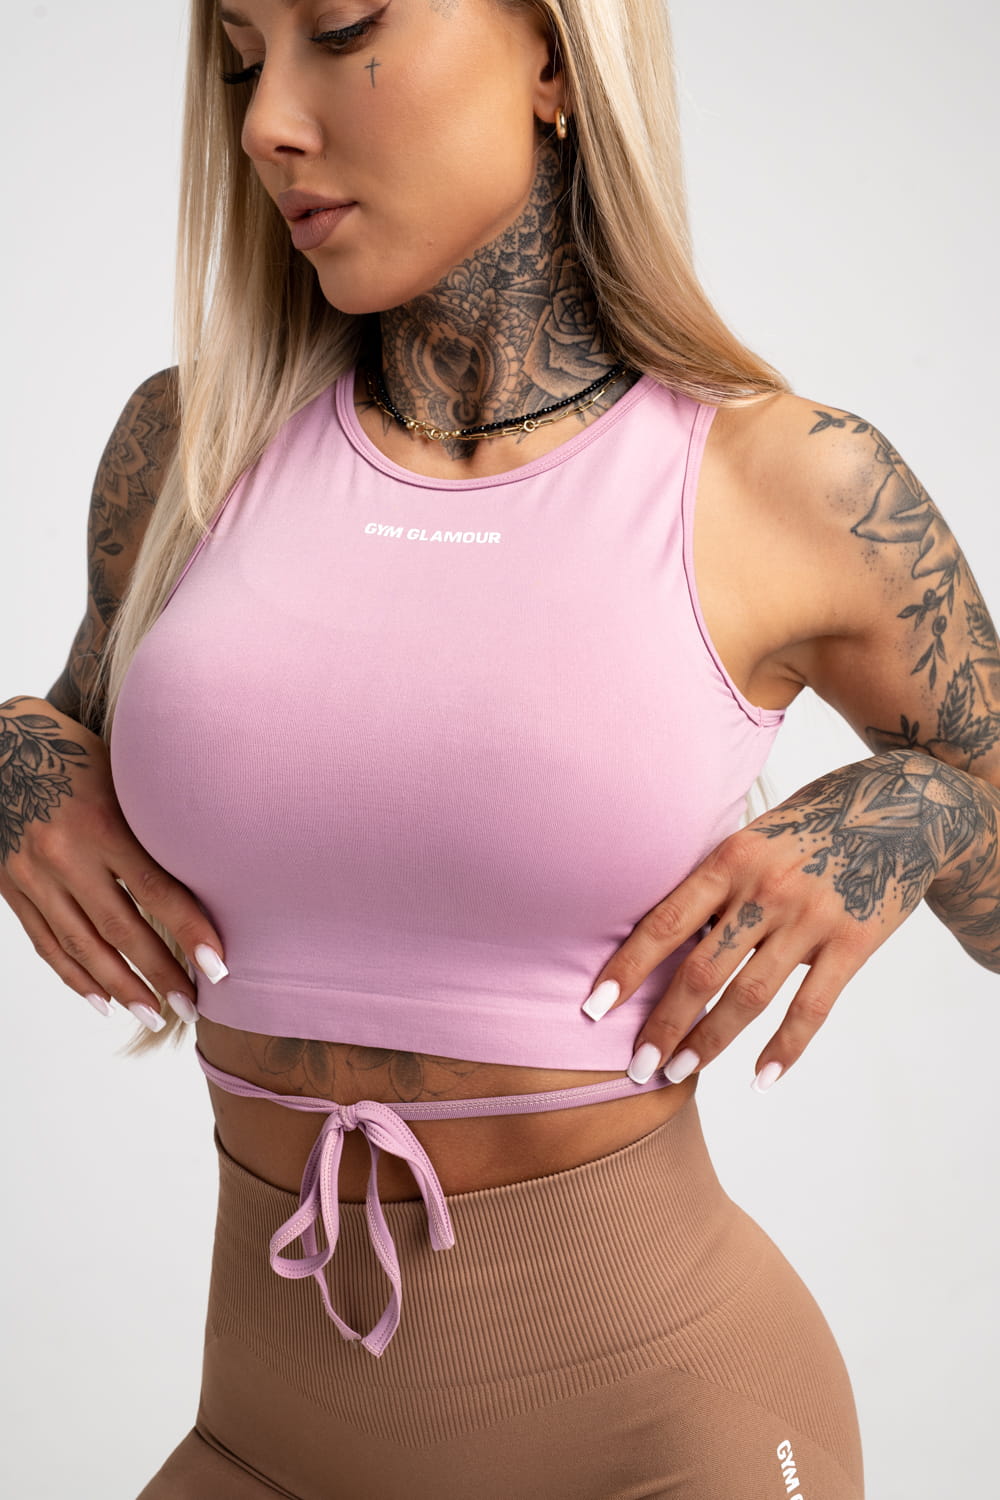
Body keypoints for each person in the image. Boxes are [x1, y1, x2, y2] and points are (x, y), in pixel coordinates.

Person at [2, 0, 998, 1495]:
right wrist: (8, 759)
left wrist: (924, 804)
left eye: (343, 26)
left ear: (551, 53)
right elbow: (77, 750)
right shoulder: (190, 449)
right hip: (263, 1435)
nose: (264, 121)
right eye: (240, 57)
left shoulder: (788, 480)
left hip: (662, 1440)